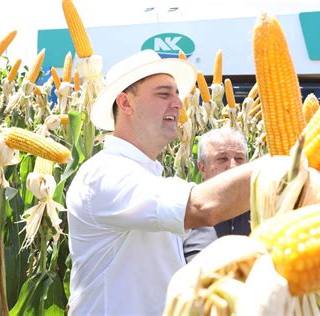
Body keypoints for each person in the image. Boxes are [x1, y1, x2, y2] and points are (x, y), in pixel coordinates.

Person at [66, 50, 289, 315]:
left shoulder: (146, 174)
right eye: (163, 94)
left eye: (176, 94)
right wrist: (289, 161)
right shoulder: (105, 173)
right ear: (125, 103)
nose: (178, 103)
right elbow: (203, 207)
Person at [183, 128, 251, 263]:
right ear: (202, 168)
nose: (233, 166)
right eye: (222, 159)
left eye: (239, 158)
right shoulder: (185, 213)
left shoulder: (263, 211)